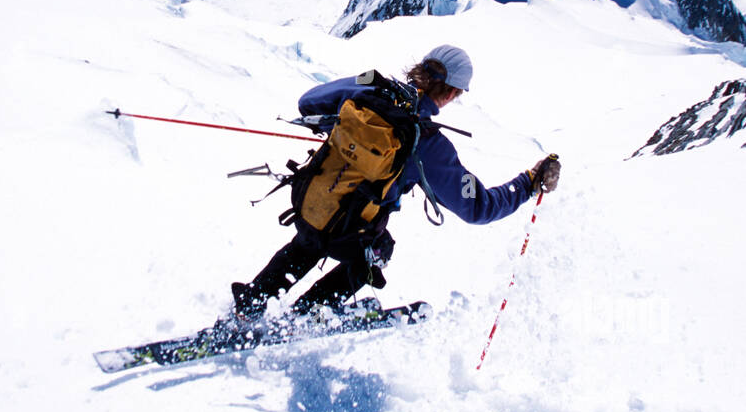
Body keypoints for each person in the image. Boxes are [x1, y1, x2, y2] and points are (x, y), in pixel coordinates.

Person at [231, 44, 560, 316]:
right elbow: (479, 208)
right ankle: (309, 314)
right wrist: (529, 182)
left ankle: (253, 302)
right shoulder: (428, 144)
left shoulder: (370, 84)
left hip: (310, 202)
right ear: (453, 93)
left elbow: (308, 101)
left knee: (311, 239)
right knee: (378, 248)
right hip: (350, 232)